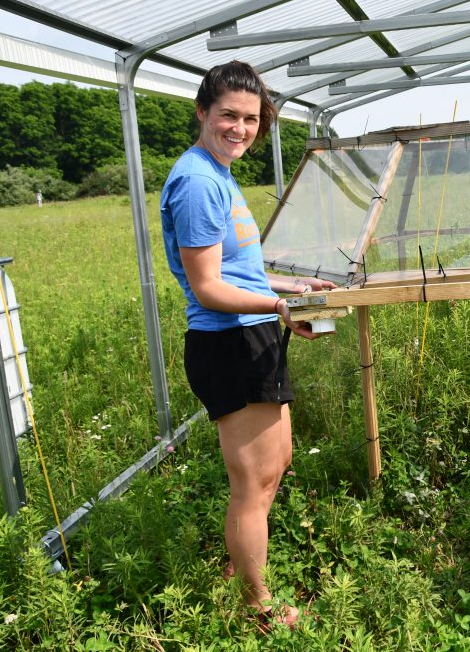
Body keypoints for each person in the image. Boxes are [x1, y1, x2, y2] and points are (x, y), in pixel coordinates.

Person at [160, 60, 335, 629]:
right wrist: (282, 307)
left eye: (251, 119)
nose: (240, 128)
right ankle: (256, 609)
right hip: (227, 343)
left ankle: (242, 570)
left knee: (275, 464)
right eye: (229, 116)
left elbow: (243, 271)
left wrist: (294, 286)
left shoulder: (221, 174)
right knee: (253, 480)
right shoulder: (197, 182)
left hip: (251, 335)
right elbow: (209, 289)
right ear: (202, 112)